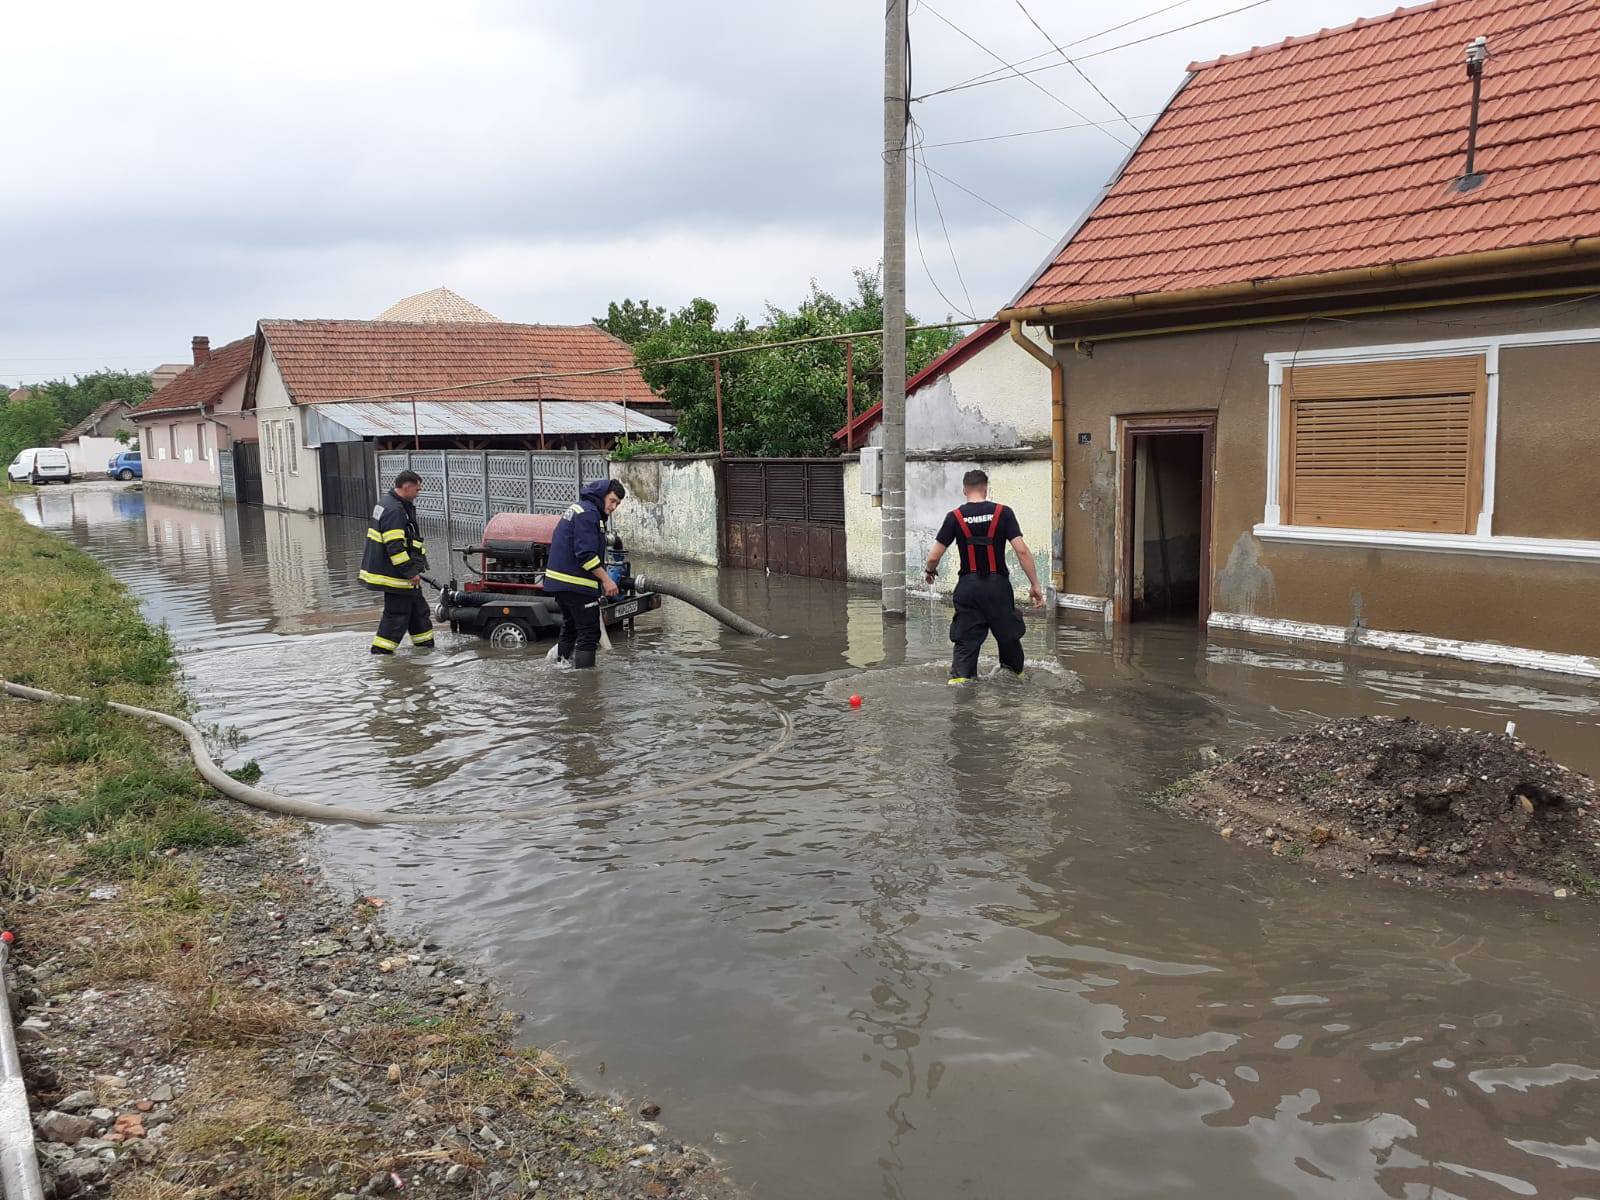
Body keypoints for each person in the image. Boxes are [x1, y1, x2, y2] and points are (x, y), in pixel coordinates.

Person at [923, 469, 1045, 684]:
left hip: (968, 587)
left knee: (966, 641)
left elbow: (933, 556)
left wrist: (930, 572)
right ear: (986, 488)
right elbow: (1022, 551)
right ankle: (1013, 678)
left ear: (964, 490)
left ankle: (961, 683)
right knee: (1008, 636)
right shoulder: (1004, 513)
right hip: (998, 587)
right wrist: (1034, 584)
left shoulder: (955, 517)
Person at [543, 478, 626, 668]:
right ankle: (586, 686)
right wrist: (607, 580)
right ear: (602, 494)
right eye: (612, 500)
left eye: (618, 504)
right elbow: (586, 555)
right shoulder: (589, 514)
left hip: (560, 584)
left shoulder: (579, 509)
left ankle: (562, 670)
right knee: (589, 634)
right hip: (577, 584)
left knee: (570, 628)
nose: (614, 507)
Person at [360, 469, 433, 655]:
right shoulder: (394, 510)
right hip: (396, 576)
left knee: (419, 612)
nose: (419, 493)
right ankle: (381, 656)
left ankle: (426, 651)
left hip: (397, 573)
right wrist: (410, 572)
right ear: (407, 487)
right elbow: (395, 547)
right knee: (396, 617)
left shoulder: (389, 503)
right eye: (417, 489)